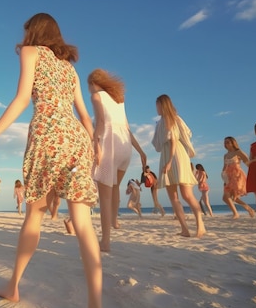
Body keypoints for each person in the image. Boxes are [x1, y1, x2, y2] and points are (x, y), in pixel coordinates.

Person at [0, 12, 108, 308]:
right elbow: (85, 117)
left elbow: (22, 99)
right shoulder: (71, 70)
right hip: (76, 139)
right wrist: (95, 146)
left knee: (34, 213)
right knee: (84, 224)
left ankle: (13, 286)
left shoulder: (31, 52)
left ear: (33, 32)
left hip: (48, 134)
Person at [87, 68, 146, 251]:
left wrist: (96, 144)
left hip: (109, 143)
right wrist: (141, 151)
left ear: (92, 84)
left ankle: (105, 241)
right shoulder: (119, 100)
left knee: (104, 197)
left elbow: (101, 123)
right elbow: (127, 128)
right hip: (125, 147)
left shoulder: (97, 96)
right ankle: (114, 221)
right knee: (114, 190)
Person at [151, 94, 206, 237]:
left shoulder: (173, 119)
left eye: (157, 105)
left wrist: (169, 162)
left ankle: (200, 224)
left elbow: (174, 140)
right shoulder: (160, 123)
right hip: (166, 155)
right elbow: (158, 144)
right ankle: (185, 229)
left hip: (175, 155)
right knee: (173, 197)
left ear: (162, 105)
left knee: (186, 194)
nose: (156, 108)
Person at [222, 137, 255, 218]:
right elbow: (224, 167)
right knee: (228, 197)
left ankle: (236, 213)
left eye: (228, 142)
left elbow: (247, 162)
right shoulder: (225, 155)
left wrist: (254, 173)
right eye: (225, 142)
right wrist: (224, 177)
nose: (226, 144)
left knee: (230, 197)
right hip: (228, 177)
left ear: (233, 143)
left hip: (237, 176)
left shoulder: (238, 152)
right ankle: (247, 209)